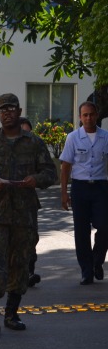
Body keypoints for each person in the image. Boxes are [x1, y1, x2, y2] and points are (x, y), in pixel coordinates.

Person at [0, 93, 56, 334]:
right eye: (2, 110)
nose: (7, 113)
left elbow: (50, 174)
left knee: (20, 263)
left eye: (11, 109)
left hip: (24, 214)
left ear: (19, 111)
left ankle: (12, 313)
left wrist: (34, 180)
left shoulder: (34, 142)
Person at [59, 101, 108, 285]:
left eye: (91, 114)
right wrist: (64, 193)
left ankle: (97, 260)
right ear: (80, 117)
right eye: (85, 115)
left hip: (101, 187)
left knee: (104, 227)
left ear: (97, 115)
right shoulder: (73, 138)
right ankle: (86, 271)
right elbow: (65, 167)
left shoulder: (106, 137)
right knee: (81, 231)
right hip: (80, 187)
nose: (88, 118)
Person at [19, 117, 41, 287]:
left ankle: (29, 272)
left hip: (28, 201)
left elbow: (49, 173)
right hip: (5, 204)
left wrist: (36, 178)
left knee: (31, 238)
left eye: (28, 132)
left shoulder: (36, 149)